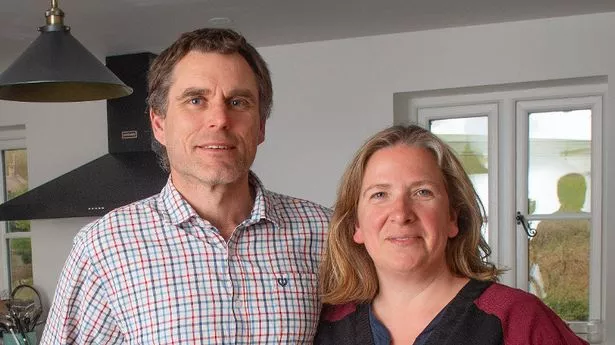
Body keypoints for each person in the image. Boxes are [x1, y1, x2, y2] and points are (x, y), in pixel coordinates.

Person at [41, 28, 330, 344]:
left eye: (238, 101)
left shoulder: (324, 233)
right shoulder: (103, 249)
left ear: (260, 126)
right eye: (196, 100)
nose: (219, 119)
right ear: (159, 124)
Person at [314, 125, 587, 344]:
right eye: (380, 194)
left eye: (422, 192)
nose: (401, 213)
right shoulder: (329, 327)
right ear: (356, 226)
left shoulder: (515, 318)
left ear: (452, 218)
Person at [530, 173, 590, 320]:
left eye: (580, 189)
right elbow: (527, 265)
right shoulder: (546, 227)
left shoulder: (592, 224)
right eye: (574, 190)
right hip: (556, 308)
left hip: (589, 309)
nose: (579, 194)